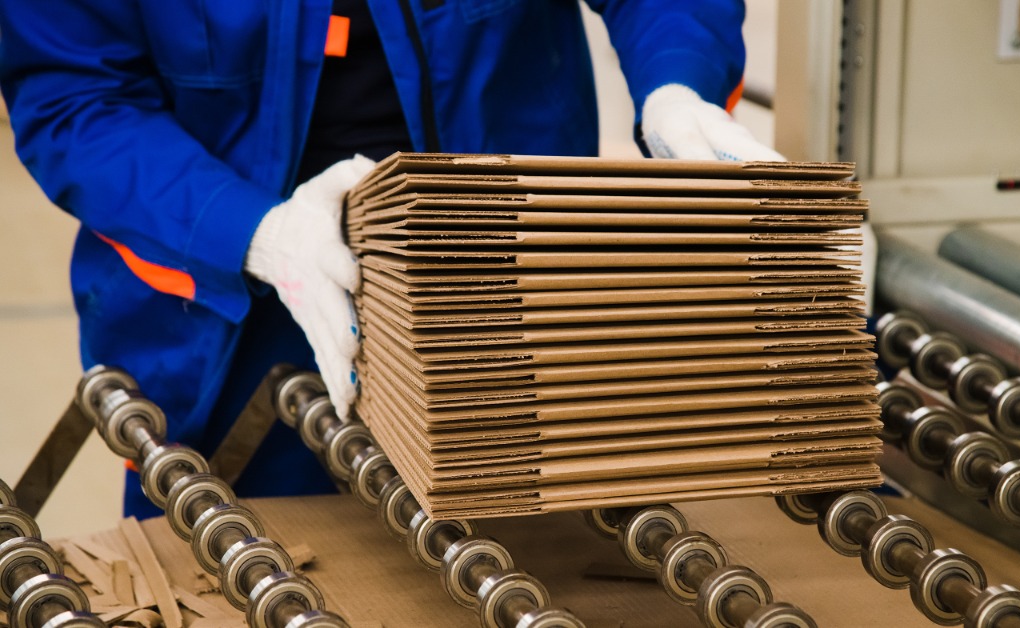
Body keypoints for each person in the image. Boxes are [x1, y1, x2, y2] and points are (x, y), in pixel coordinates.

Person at [0, 0, 784, 519]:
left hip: (495, 291)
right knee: (232, 568)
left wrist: (677, 84)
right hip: (222, 319)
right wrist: (252, 232)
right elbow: (77, 96)